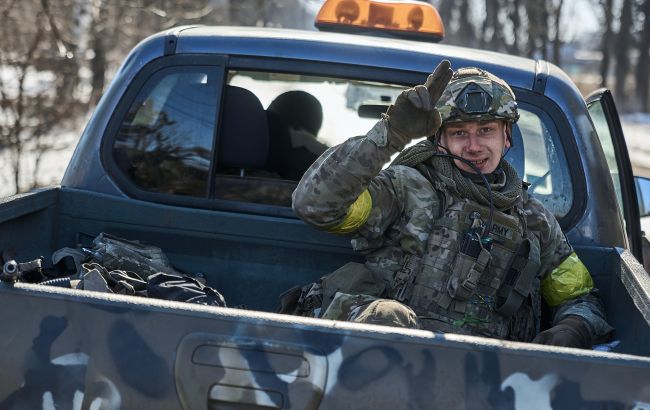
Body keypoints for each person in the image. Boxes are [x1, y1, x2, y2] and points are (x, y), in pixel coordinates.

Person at [291, 61, 613, 348]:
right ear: (439, 141)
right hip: (383, 367)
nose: (473, 146)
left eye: (485, 130)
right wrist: (392, 133)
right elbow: (315, 204)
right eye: (459, 133)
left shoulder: (534, 221)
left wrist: (573, 328)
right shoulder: (406, 188)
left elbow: (580, 297)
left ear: (507, 136)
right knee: (388, 317)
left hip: (481, 380)